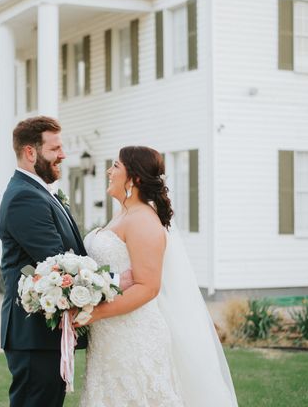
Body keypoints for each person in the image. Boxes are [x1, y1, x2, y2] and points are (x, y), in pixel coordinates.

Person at [78, 146, 238, 407]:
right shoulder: (124, 215)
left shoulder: (143, 220)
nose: (109, 171)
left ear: (135, 178)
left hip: (133, 335)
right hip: (110, 336)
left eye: (116, 166)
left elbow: (148, 287)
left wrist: (93, 313)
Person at [0, 116, 132, 407]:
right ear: (31, 152)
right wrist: (116, 281)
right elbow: (58, 264)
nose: (63, 154)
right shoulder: (25, 198)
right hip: (34, 335)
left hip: (45, 336)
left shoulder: (39, 192)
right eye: (55, 148)